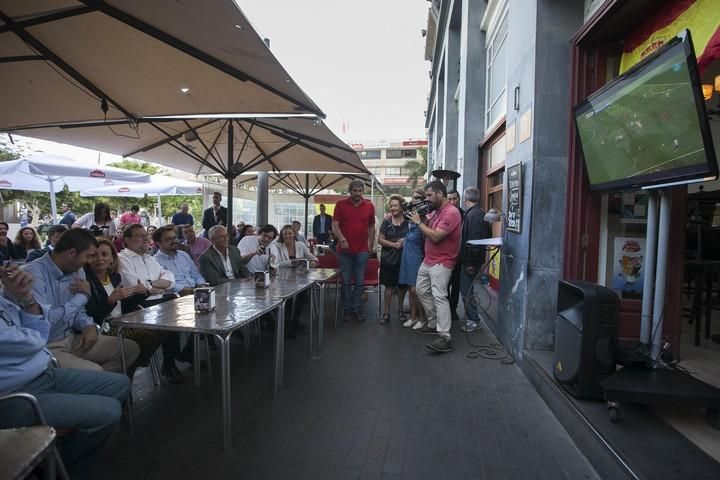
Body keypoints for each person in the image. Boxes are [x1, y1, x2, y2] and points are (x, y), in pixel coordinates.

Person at [0, 262, 129, 480]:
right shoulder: (39, 272)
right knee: (109, 412)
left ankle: (56, 451)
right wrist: (81, 298)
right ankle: (67, 471)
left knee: (120, 384)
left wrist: (26, 297)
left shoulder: (5, 299)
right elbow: (37, 338)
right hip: (16, 396)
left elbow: (42, 329)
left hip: (46, 372)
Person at [21, 228, 140, 371]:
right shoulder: (32, 273)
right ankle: (97, 385)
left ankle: (99, 388)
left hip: (71, 337)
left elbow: (78, 311)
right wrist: (83, 296)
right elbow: (46, 321)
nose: (90, 261)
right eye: (89, 256)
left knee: (129, 349)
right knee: (96, 372)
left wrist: (88, 326)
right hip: (45, 346)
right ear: (71, 253)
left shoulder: (77, 270)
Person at [83, 238, 163, 373]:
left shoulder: (114, 278)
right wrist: (110, 301)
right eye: (94, 255)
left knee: (159, 329)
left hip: (120, 321)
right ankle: (128, 370)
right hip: (103, 327)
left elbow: (123, 307)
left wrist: (141, 293)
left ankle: (131, 367)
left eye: (104, 254)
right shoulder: (86, 281)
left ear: (112, 259)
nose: (99, 259)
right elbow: (92, 314)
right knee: (148, 334)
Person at [117, 224, 184, 383]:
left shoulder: (149, 258)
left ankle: (172, 360)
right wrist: (154, 286)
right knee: (171, 313)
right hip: (137, 306)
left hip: (157, 301)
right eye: (140, 236)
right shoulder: (122, 259)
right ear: (127, 240)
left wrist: (149, 285)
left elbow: (170, 279)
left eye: (146, 235)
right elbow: (135, 286)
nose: (146, 238)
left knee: (176, 303)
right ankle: (170, 362)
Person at [408, 180, 462, 353]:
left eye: (430, 195)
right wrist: (423, 218)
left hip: (442, 261)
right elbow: (428, 229)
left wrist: (418, 222)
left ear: (440, 193)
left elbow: (437, 236)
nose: (428, 199)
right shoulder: (437, 211)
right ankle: (433, 322)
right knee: (421, 290)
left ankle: (445, 336)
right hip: (429, 259)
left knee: (439, 296)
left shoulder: (451, 212)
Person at [332, 179, 376, 322]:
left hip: (362, 250)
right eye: (355, 191)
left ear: (363, 191)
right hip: (343, 251)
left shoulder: (369, 206)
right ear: (350, 191)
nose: (357, 193)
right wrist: (342, 238)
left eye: (360, 191)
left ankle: (356, 309)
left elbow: (371, 227)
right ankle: (347, 309)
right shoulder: (340, 205)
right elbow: (335, 225)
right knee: (345, 282)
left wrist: (370, 244)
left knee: (359, 282)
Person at [270, 225, 318, 338]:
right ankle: (286, 325)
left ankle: (295, 321)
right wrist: (293, 262)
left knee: (302, 295)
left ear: (294, 234)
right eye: (285, 233)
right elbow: (276, 264)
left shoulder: (300, 245)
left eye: (290, 233)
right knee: (288, 300)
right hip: (282, 279)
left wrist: (314, 261)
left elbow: (312, 258)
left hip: (300, 279)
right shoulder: (276, 246)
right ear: (281, 235)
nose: (288, 236)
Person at [458, 187, 492, 332]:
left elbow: (475, 240)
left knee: (467, 290)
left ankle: (474, 320)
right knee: (467, 289)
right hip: (474, 259)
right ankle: (472, 318)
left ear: (465, 200)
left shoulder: (473, 215)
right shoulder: (480, 213)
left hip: (471, 260)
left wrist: (470, 262)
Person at [377, 195, 409, 325]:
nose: (393, 208)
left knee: (401, 287)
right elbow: (380, 239)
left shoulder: (408, 221)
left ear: (401, 207)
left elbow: (415, 236)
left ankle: (401, 311)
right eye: (391, 206)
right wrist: (394, 244)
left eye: (395, 205)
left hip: (404, 258)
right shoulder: (386, 221)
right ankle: (386, 313)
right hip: (388, 259)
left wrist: (405, 240)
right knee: (389, 286)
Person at [153, 225, 208, 296]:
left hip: (195, 292)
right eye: (168, 239)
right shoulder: (155, 261)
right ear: (158, 243)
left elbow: (196, 275)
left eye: (174, 238)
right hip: (175, 297)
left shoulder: (183, 255)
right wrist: (190, 290)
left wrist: (202, 285)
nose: (174, 241)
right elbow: (165, 285)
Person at [399, 190, 426, 329]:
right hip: (408, 252)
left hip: (417, 254)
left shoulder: (425, 216)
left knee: (417, 290)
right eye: (413, 197)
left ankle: (422, 318)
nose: (414, 200)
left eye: (417, 197)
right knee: (410, 288)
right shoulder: (412, 213)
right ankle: (413, 317)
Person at [447, 189, 465, 323]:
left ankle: (453, 310)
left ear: (459, 199)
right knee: (444, 285)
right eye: (450, 199)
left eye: (455, 199)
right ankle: (445, 309)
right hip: (446, 256)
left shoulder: (465, 214)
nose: (452, 202)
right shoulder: (445, 214)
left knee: (456, 285)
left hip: (459, 256)